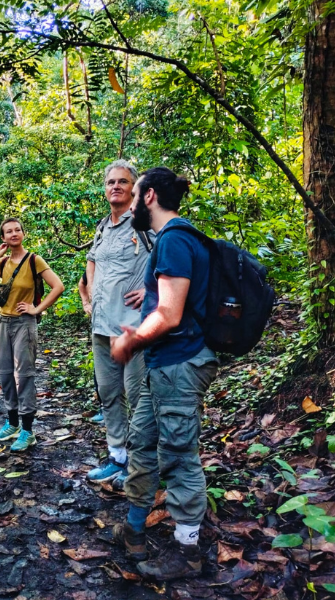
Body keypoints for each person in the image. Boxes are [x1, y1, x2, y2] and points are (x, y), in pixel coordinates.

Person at [110, 167, 219, 580]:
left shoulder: (174, 239)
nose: (132, 204)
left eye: (136, 195)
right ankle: (134, 530)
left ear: (149, 196)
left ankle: (187, 553)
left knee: (177, 457)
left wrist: (131, 340)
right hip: (164, 365)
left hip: (179, 364)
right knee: (142, 444)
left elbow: (170, 314)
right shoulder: (175, 239)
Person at [84, 160, 152, 489]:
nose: (116, 186)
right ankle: (116, 456)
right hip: (101, 326)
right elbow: (92, 260)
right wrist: (91, 297)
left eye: (123, 181)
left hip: (132, 328)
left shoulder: (144, 223)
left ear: (133, 188)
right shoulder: (103, 225)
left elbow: (174, 254)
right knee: (109, 394)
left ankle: (139, 465)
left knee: (137, 397)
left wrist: (153, 288)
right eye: (111, 181)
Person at [0, 218, 65, 452]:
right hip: (3, 323)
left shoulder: (34, 260)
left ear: (23, 233)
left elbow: (58, 286)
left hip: (24, 324)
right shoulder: (3, 262)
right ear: (3, 237)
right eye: (8, 231)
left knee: (24, 374)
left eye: (17, 230)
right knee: (5, 373)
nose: (14, 233)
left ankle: (28, 430)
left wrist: (37, 309)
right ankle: (13, 423)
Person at [78, 272, 103, 425]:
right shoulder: (98, 262)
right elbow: (82, 283)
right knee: (101, 369)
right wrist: (86, 303)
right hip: (101, 322)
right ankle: (104, 409)